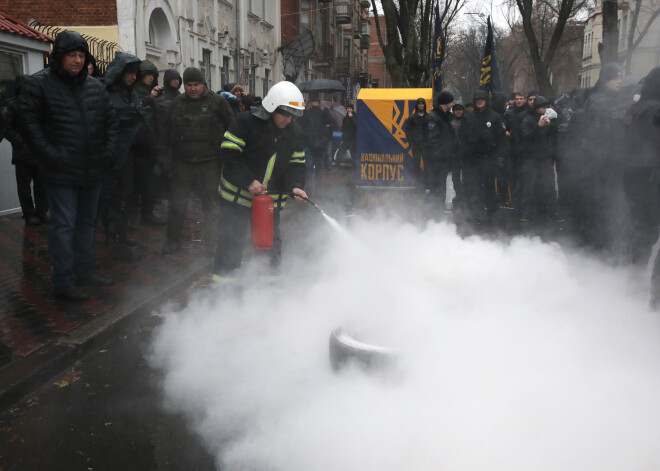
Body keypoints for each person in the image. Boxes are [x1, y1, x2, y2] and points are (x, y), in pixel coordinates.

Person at [19, 31, 119, 301]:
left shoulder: (96, 87)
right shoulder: (39, 85)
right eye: (71, 55)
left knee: (87, 224)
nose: (77, 60)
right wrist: (53, 155)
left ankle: (84, 271)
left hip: (93, 169)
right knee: (64, 226)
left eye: (81, 55)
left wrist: (107, 152)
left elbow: (111, 123)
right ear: (59, 57)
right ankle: (63, 281)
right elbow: (29, 127)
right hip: (61, 172)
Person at [213, 80, 308, 284]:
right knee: (230, 243)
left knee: (271, 246)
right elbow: (229, 154)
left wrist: (296, 185)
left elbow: (297, 164)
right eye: (284, 113)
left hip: (269, 204)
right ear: (271, 107)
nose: (288, 120)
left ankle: (269, 289)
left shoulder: (294, 133)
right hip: (236, 199)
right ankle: (222, 290)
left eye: (292, 115)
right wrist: (248, 181)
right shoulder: (245, 122)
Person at [162, 67, 235, 255]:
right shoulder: (176, 104)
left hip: (209, 162)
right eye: (189, 85)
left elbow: (232, 128)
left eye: (196, 84)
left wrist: (229, 159)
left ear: (203, 84)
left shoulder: (218, 102)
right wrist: (166, 161)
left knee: (211, 205)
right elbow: (165, 133)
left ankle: (211, 244)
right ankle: (173, 241)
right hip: (183, 162)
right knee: (177, 203)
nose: (193, 89)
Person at [103, 52, 157, 258]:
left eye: (136, 73)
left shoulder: (130, 94)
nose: (134, 77)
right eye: (130, 73)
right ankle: (113, 239)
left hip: (133, 154)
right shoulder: (108, 93)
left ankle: (121, 236)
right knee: (115, 199)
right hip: (115, 155)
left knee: (128, 197)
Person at [622, 66, 660, 310]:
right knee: (645, 234)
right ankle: (651, 298)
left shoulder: (640, 107)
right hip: (649, 182)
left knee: (644, 234)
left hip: (642, 181)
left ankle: (636, 288)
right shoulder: (650, 110)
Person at [4, 75, 49, 225]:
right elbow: (8, 129)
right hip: (22, 154)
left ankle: (42, 212)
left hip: (39, 153)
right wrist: (22, 143)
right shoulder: (12, 105)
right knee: (24, 187)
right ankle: (29, 214)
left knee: (41, 185)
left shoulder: (39, 105)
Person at [458, 90, 507, 222]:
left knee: (490, 187)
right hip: (471, 160)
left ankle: (492, 213)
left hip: (488, 158)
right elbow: (461, 137)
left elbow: (502, 139)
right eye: (477, 99)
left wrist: (498, 156)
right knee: (471, 187)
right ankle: (472, 213)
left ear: (486, 100)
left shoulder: (495, 117)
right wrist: (465, 152)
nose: (479, 101)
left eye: (482, 99)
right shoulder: (468, 117)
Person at [519, 95, 562, 222]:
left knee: (549, 186)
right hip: (531, 158)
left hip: (545, 157)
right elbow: (526, 138)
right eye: (543, 107)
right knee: (529, 186)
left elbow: (555, 136)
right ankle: (525, 212)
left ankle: (554, 211)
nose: (545, 109)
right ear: (537, 108)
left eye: (546, 107)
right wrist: (538, 126)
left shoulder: (548, 119)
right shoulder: (527, 120)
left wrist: (551, 126)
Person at [421, 91, 455, 209]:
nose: (453, 104)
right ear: (445, 103)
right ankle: (434, 214)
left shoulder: (444, 117)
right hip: (436, 161)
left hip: (443, 160)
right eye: (451, 102)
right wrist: (439, 158)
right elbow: (432, 141)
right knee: (436, 188)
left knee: (441, 188)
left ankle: (438, 215)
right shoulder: (433, 118)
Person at [299, 93, 336, 193]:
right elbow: (299, 123)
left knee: (319, 168)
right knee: (309, 167)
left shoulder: (324, 111)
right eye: (312, 100)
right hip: (309, 144)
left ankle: (318, 189)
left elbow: (334, 124)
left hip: (320, 145)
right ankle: (309, 189)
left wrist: (324, 111)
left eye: (315, 100)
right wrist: (306, 110)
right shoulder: (305, 111)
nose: (314, 103)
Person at [403, 97, 428, 191]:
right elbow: (407, 130)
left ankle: (426, 183)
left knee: (427, 165)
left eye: (422, 104)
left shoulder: (428, 117)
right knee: (416, 164)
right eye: (419, 104)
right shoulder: (412, 117)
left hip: (425, 145)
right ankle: (417, 184)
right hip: (416, 145)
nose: (421, 105)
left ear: (424, 105)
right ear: (417, 105)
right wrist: (411, 142)